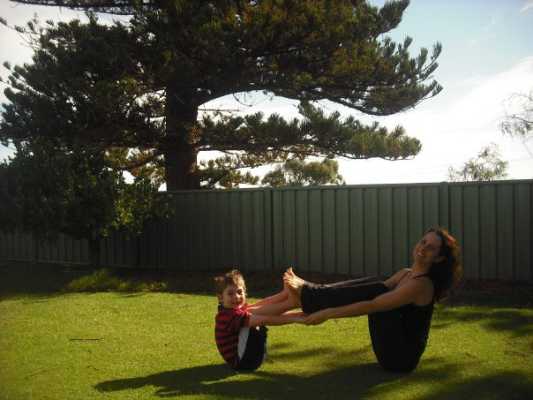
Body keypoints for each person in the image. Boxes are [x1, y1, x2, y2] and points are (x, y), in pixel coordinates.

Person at [284, 227, 462, 372]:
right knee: (378, 285)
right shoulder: (406, 273)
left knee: (377, 292)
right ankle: (314, 292)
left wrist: (328, 313)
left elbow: (373, 305)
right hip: (391, 350)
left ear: (439, 258)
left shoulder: (422, 285)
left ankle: (312, 292)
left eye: (430, 247)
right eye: (423, 242)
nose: (423, 248)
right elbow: (369, 291)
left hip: (400, 359)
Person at [214, 269, 303, 371]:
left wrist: (284, 295)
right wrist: (296, 318)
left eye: (239, 292)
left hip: (248, 357)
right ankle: (291, 303)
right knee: (252, 314)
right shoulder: (228, 316)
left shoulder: (230, 312)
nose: (236, 297)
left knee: (251, 310)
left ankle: (287, 298)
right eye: (230, 294)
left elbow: (263, 303)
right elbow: (266, 319)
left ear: (245, 292)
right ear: (220, 297)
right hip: (245, 362)